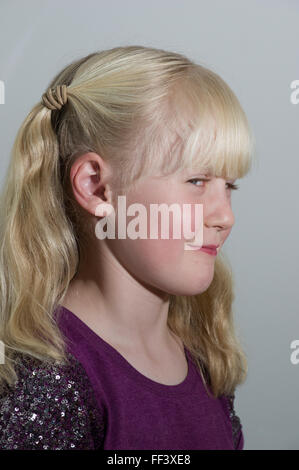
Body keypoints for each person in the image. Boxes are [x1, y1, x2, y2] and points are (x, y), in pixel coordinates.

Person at [0, 45, 254, 450]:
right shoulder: (53, 383)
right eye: (197, 182)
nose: (225, 216)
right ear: (96, 186)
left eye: (230, 187)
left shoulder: (204, 356)